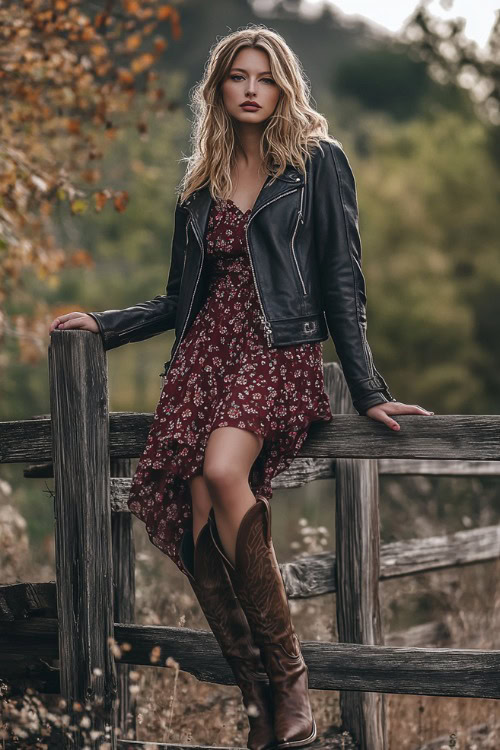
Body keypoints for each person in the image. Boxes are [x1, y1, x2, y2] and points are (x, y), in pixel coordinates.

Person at [49, 25, 434, 750]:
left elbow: (343, 279)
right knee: (197, 504)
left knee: (223, 473)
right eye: (237, 76)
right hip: (204, 360)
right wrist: (103, 323)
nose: (251, 88)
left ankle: (291, 683)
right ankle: (259, 705)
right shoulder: (200, 188)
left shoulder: (318, 164)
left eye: (264, 76)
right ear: (219, 90)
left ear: (284, 85)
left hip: (277, 347)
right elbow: (175, 301)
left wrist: (370, 387)